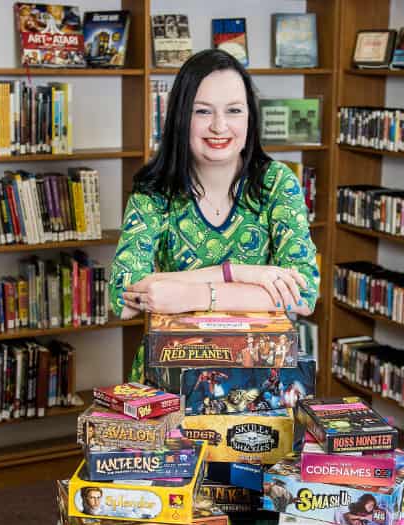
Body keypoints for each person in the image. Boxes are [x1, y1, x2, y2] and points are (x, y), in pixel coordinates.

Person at [109, 48, 320, 381]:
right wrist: (237, 272)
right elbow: (125, 297)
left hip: (260, 381)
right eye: (203, 111)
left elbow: (304, 295)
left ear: (250, 116)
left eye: (234, 110)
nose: (220, 126)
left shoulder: (277, 183)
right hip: (171, 376)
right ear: (180, 116)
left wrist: (189, 295)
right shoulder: (154, 190)